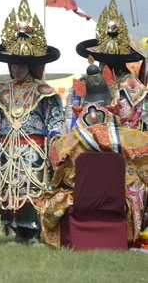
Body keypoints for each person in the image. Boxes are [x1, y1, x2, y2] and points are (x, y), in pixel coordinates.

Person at [0, 0, 65, 246]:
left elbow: (55, 122)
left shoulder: (45, 92)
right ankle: (18, 231)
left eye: (23, 65)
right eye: (14, 65)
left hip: (34, 149)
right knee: (10, 189)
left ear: (32, 65)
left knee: (32, 189)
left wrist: (56, 145)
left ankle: (33, 232)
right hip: (7, 150)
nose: (18, 69)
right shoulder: (0, 91)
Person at [40, 63, 148, 249]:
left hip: (82, 200)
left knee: (53, 198)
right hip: (118, 201)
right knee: (136, 186)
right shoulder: (132, 139)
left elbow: (59, 173)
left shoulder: (69, 141)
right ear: (112, 105)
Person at [73, 0, 148, 129]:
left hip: (125, 135)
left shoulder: (131, 84)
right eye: (103, 59)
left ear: (120, 61)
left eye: (110, 60)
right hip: (90, 135)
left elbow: (138, 115)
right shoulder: (87, 82)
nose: (105, 64)